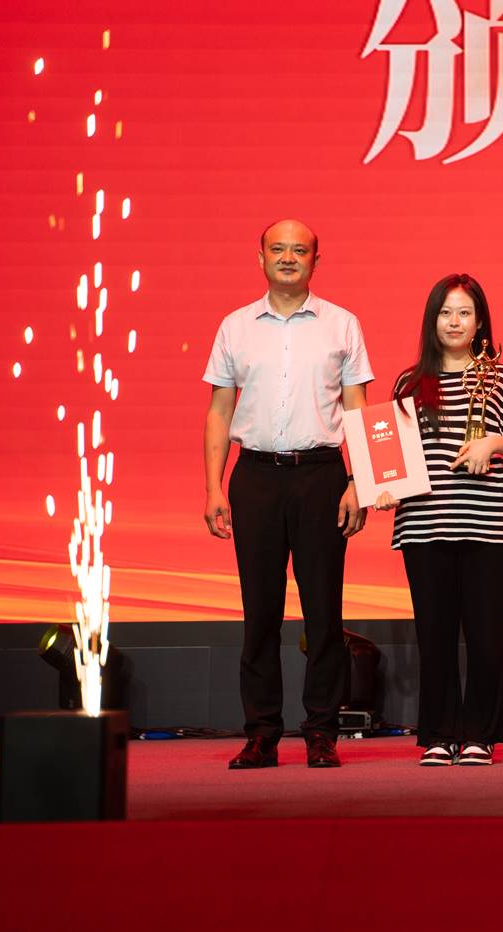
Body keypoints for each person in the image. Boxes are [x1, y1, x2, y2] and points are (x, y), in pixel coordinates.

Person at [202, 219, 372, 770]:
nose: (288, 257)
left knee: (324, 611)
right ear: (260, 258)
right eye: (278, 248)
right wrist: (213, 487)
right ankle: (261, 733)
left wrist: (359, 482)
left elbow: (357, 410)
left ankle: (322, 732)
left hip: (321, 475)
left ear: (316, 261)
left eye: (300, 250)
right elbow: (219, 411)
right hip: (254, 477)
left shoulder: (342, 324)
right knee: (260, 611)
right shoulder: (235, 327)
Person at [374, 275, 503, 767]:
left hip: (489, 526)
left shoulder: (500, 378)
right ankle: (440, 734)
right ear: (432, 320)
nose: (454, 322)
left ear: (480, 321)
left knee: (486, 639)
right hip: (424, 528)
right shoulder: (409, 384)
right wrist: (385, 487)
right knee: (436, 637)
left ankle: (480, 736)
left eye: (464, 313)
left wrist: (493, 443)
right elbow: (394, 458)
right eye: (445, 312)